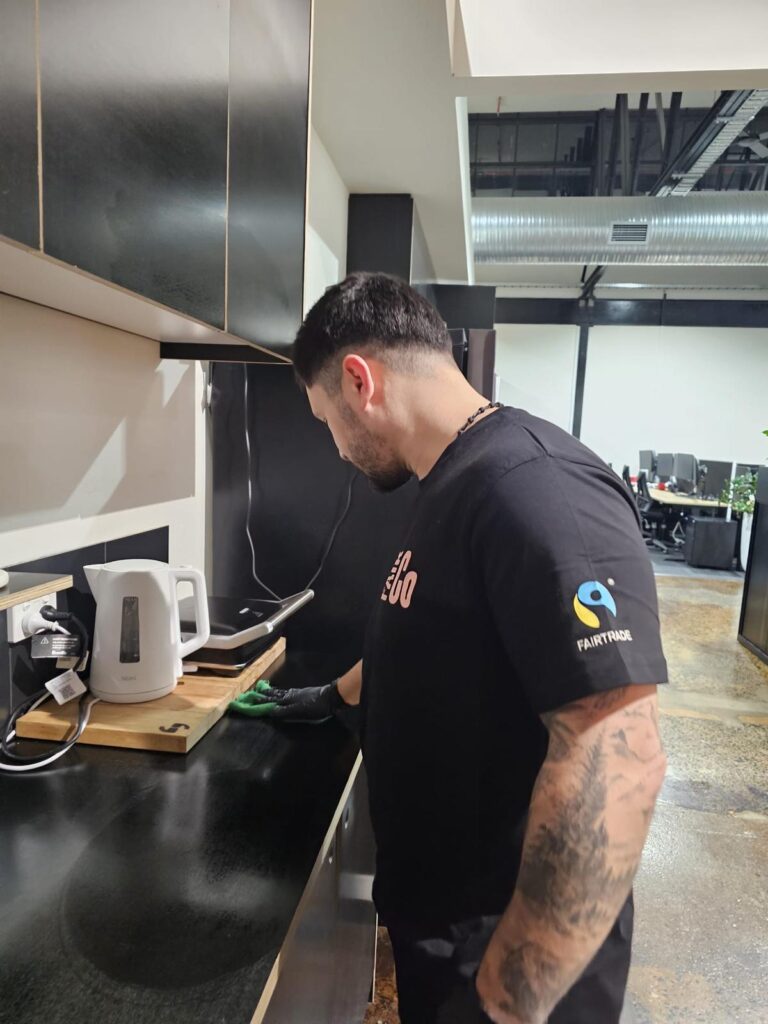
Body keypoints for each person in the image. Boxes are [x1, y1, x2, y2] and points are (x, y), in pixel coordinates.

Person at [244, 273, 668, 1024]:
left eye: (326, 420)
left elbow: (617, 753)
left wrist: (509, 997)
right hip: (445, 935)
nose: (336, 448)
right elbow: (430, 639)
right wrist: (324, 698)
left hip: (508, 959)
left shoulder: (535, 487)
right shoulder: (454, 481)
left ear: (359, 381)